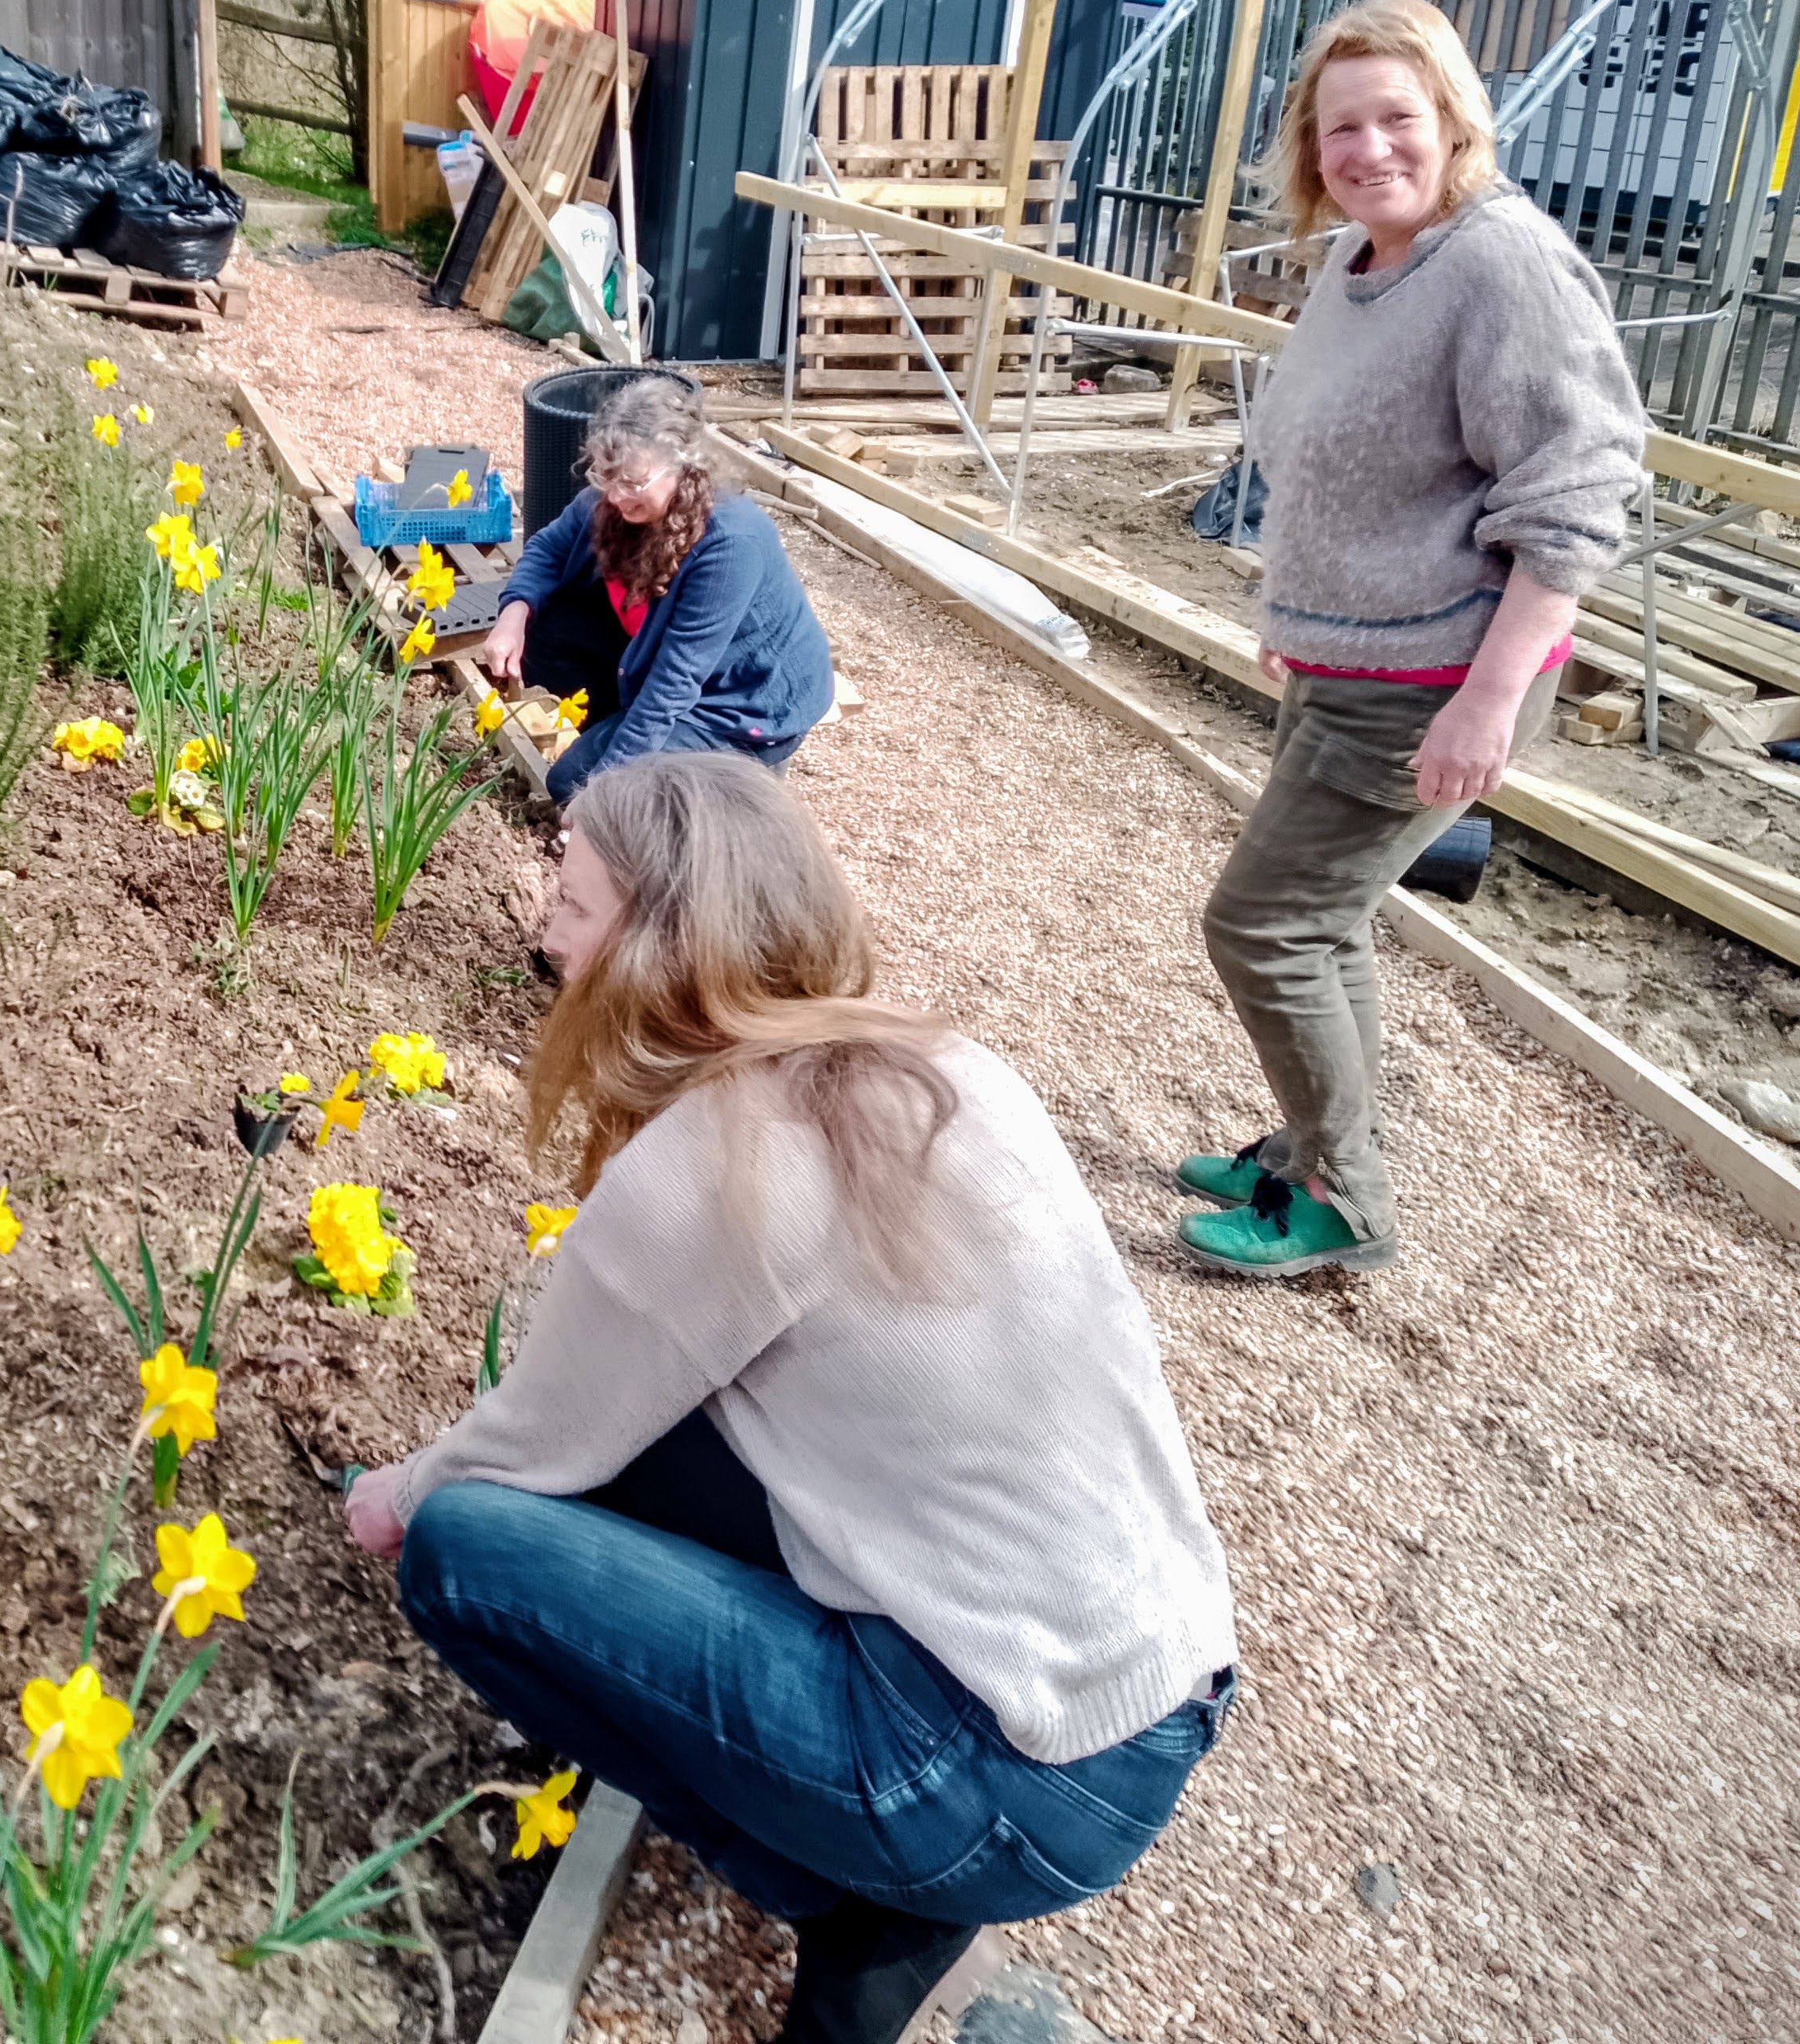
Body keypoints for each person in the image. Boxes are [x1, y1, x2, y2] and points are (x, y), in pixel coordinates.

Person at [343, 752, 1239, 2044]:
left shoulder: (710, 1168)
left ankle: (851, 1900)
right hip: (1157, 1690)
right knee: (650, 1448)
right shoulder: (948, 1070)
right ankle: (884, 1860)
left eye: (576, 902)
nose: (546, 927)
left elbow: (530, 1441)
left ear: (662, 949)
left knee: (460, 1548)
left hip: (1001, 1771)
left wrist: (393, 1495)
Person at [1181, 0, 1641, 1280]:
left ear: (1454, 121)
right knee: (1324, 922)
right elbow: (1354, 471)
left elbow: (1577, 493)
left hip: (1434, 677)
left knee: (1265, 926)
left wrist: (1487, 701)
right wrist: (1301, 614)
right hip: (1351, 659)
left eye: (1398, 117)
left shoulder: (1500, 265)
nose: (1369, 148)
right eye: (1342, 127)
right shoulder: (1364, 260)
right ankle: (1310, 1150)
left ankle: (1343, 1199)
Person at [485, 375, 836, 801]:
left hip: (740, 699)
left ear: (683, 464)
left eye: (633, 483)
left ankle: (738, 777)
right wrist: (513, 614)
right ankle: (619, 729)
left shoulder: (730, 545)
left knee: (571, 786)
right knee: (544, 631)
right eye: (606, 476)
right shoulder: (612, 499)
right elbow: (549, 548)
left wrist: (604, 791)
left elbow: (673, 685)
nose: (617, 496)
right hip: (663, 660)